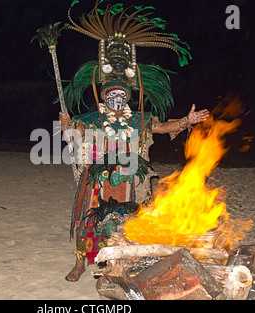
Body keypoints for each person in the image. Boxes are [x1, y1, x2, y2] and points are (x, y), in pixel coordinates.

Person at [48, 2, 210, 282]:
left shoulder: (138, 119)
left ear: (127, 98)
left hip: (128, 179)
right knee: (89, 218)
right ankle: (80, 263)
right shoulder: (90, 118)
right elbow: (73, 135)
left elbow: (161, 127)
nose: (116, 101)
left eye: (121, 97)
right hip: (97, 179)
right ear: (104, 96)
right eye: (111, 96)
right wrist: (66, 125)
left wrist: (185, 121)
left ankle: (117, 263)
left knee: (124, 221)